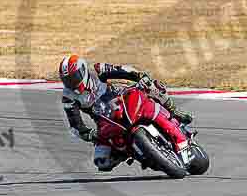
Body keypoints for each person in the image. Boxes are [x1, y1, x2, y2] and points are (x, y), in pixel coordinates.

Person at [58, 54, 193, 171]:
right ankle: (129, 152)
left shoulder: (98, 70)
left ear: (83, 71)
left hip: (123, 99)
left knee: (151, 86)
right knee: (102, 161)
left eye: (74, 78)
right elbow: (75, 126)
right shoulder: (68, 97)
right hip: (105, 120)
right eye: (67, 80)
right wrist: (90, 135)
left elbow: (123, 70)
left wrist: (139, 76)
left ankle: (174, 111)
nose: (71, 83)